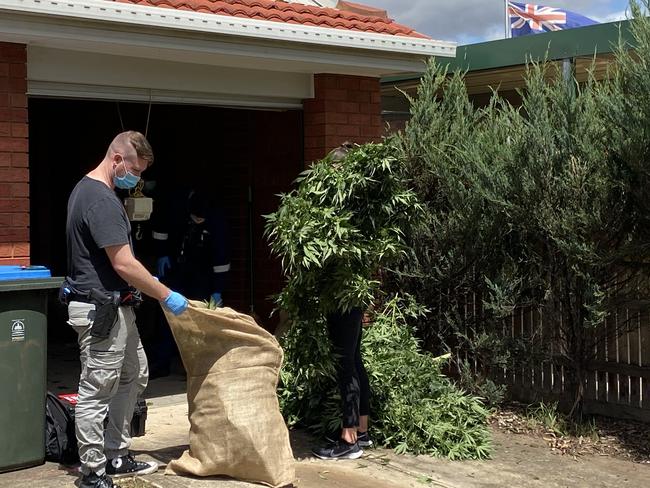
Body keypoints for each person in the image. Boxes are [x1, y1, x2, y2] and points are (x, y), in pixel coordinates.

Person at [62, 131, 189, 488]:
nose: (137, 182)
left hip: (117, 308)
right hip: (100, 310)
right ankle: (93, 471)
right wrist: (166, 295)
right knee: (97, 389)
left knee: (135, 373)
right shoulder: (99, 200)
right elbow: (124, 264)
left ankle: (116, 453)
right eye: (134, 171)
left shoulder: (91, 192)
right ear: (117, 160)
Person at [311, 143, 372, 461]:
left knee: (345, 362)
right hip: (353, 293)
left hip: (343, 295)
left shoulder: (344, 211)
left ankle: (348, 439)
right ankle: (362, 429)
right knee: (355, 358)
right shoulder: (360, 207)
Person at [149, 186, 230, 377]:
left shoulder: (217, 221)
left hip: (202, 273)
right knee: (168, 316)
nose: (198, 221)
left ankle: (196, 367)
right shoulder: (175, 207)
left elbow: (221, 259)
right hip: (174, 267)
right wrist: (162, 254)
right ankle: (162, 362)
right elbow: (160, 231)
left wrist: (218, 289)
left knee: (198, 319)